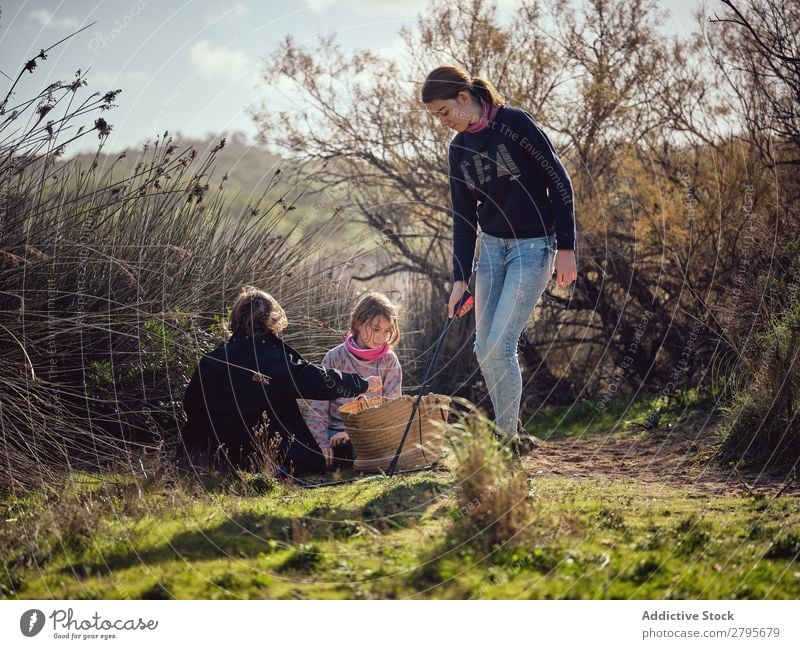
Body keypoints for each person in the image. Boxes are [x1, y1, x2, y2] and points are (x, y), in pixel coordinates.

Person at [422, 65, 578, 451]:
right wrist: (460, 280)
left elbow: (559, 182)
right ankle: (512, 434)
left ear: (463, 98)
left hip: (534, 247)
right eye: (435, 117)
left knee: (499, 347)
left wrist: (566, 248)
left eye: (443, 112)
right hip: (491, 251)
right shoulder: (458, 150)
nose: (442, 122)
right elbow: (463, 217)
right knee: (482, 348)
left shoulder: (515, 124)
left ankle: (508, 442)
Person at [180, 286, 381, 475]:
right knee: (322, 458)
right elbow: (317, 379)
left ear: (235, 320)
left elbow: (190, 406)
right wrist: (362, 384)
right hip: (266, 456)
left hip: (212, 456)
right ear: (271, 320)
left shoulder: (210, 362)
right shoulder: (274, 360)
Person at [307, 291, 403, 469]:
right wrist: (321, 443)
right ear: (358, 324)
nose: (382, 338)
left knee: (376, 448)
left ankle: (354, 456)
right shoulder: (335, 357)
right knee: (306, 451)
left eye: (387, 331)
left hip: (372, 432)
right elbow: (318, 408)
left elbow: (392, 410)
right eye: (376, 329)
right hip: (333, 432)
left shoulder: (389, 361)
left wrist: (353, 434)